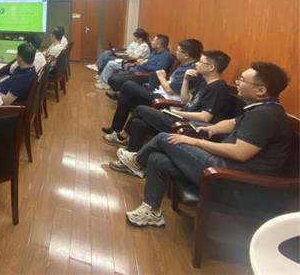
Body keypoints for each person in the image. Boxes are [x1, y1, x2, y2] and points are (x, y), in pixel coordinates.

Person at [114, 62, 291, 228]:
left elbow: (240, 153)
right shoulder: (261, 108)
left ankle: (136, 161)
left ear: (261, 90)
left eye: (242, 80)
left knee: (163, 138)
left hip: (233, 179)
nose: (237, 82)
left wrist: (196, 141)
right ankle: (151, 211)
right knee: (157, 159)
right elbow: (232, 123)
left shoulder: (264, 116)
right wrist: (211, 129)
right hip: (224, 168)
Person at [109, 50, 239, 157]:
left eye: (201, 62)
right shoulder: (205, 82)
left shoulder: (218, 88)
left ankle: (121, 137)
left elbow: (205, 117)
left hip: (189, 127)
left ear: (211, 67)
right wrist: (186, 80)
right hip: (181, 117)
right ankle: (134, 157)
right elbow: (185, 100)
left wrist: (176, 112)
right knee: (139, 122)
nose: (197, 64)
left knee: (141, 109)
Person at [102, 38, 203, 145]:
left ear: (186, 55)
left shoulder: (190, 71)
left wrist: (161, 76)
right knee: (126, 98)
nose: (175, 52)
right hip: (160, 92)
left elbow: (170, 90)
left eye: (178, 50)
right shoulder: (183, 64)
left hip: (165, 100)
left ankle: (118, 131)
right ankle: (116, 130)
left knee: (128, 86)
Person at [105, 34, 173, 93]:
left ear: (159, 45)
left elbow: (159, 69)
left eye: (153, 40)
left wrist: (143, 64)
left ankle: (120, 94)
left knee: (115, 80)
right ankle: (120, 93)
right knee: (112, 77)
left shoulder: (166, 56)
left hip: (144, 75)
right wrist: (141, 61)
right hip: (137, 70)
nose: (151, 42)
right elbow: (147, 61)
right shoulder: (154, 52)